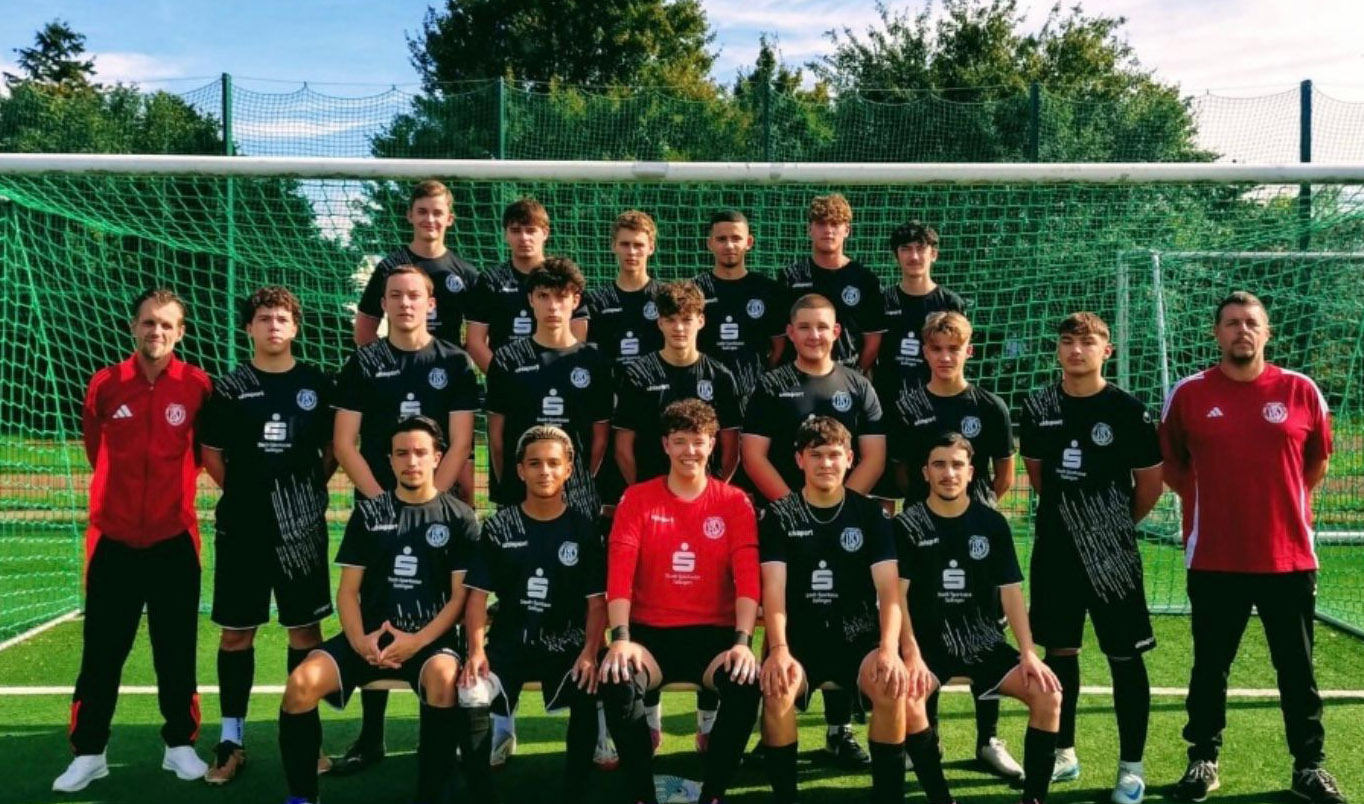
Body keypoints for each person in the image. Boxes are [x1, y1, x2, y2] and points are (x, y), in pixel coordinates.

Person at [1160, 292, 1345, 804]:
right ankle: (1203, 759)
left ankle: (1308, 767)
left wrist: (1280, 506)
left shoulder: (1301, 390)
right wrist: (1209, 501)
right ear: (1216, 333)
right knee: (1210, 667)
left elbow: (1317, 462)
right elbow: (1172, 464)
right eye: (1231, 323)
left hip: (1288, 557)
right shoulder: (1189, 394)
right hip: (1215, 557)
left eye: (1251, 323)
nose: (1242, 330)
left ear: (1267, 333)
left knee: (1297, 669)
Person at [54, 288, 212, 793]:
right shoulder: (105, 385)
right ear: (133, 327)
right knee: (101, 653)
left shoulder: (197, 386)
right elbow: (95, 450)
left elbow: (200, 456)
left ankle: (179, 745)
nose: (156, 331)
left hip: (173, 540)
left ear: (180, 332)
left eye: (166, 324)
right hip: (114, 541)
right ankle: (90, 753)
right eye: (148, 322)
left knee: (175, 651)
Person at [276, 416, 478, 804]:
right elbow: (347, 592)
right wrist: (359, 640)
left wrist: (416, 641)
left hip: (428, 640)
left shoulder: (459, 517)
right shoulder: (369, 513)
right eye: (402, 453)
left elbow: (459, 599)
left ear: (437, 457)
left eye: (420, 452)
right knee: (300, 684)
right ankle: (302, 798)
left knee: (443, 678)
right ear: (390, 460)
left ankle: (430, 795)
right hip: (369, 639)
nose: (411, 461)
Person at [329, 266, 480, 774]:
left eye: (415, 295)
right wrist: (384, 503)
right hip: (379, 504)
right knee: (377, 607)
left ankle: (442, 734)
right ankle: (370, 737)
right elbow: (345, 442)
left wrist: (430, 499)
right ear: (384, 304)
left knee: (439, 603)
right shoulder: (364, 361)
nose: (405, 303)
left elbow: (461, 441)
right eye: (395, 295)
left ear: (431, 303)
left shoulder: (454, 361)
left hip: (437, 507)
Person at [1019, 312, 1163, 802]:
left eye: (1087, 342)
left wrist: (1108, 527)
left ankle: (1131, 768)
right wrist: (1074, 525)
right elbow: (1038, 476)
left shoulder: (1129, 410)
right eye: (1067, 341)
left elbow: (1149, 486)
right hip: (1056, 552)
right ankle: (1064, 751)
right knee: (1059, 654)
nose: (1076, 350)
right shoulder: (1038, 405)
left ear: (1107, 350)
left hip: (1112, 557)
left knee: (1125, 657)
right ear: (1058, 349)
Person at [200, 287, 337, 784]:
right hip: (243, 529)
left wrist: (301, 496)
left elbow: (333, 449)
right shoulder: (230, 387)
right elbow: (212, 455)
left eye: (282, 318)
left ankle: (306, 738)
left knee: (305, 632)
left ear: (295, 327)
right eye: (264, 318)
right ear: (249, 328)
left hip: (301, 530)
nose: (273, 326)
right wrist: (248, 496)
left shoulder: (317, 385)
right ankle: (231, 740)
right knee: (237, 634)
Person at [742, 292, 886, 766]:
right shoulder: (771, 385)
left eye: (822, 326)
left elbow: (873, 456)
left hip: (846, 522)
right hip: (788, 521)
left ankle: (839, 730)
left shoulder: (857, 385)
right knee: (781, 609)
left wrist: (843, 509)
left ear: (836, 332)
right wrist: (795, 509)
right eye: (804, 327)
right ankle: (773, 728)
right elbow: (754, 455)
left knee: (845, 611)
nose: (814, 335)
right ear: (791, 332)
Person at [484, 257, 616, 768]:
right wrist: (506, 492)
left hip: (574, 495)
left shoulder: (594, 359)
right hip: (520, 496)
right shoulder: (510, 357)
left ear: (575, 301)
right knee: (513, 600)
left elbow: (599, 436)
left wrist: (578, 484)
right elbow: (497, 433)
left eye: (562, 296)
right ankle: (502, 723)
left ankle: (599, 724)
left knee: (585, 601)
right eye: (543, 295)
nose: (553, 304)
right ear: (531, 301)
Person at [600, 399, 762, 804]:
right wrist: (620, 638)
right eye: (680, 441)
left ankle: (713, 792)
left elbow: (747, 578)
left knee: (746, 683)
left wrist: (742, 643)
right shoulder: (637, 498)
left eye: (699, 441)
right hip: (649, 638)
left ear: (713, 444)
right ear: (665, 445)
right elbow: (620, 573)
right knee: (617, 680)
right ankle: (642, 792)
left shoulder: (734, 502)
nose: (690, 450)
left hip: (714, 638)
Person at [884, 309, 1021, 779]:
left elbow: (1003, 476)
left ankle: (988, 740)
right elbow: (903, 474)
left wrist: (973, 516)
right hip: (923, 535)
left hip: (977, 538)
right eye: (937, 349)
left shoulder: (990, 407)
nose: (945, 357)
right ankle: (928, 738)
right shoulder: (907, 406)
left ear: (969, 351)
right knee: (925, 629)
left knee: (986, 632)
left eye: (954, 349)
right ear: (924, 352)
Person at [896, 433, 1064, 804]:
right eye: (939, 464)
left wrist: (1028, 652)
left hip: (983, 643)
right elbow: (897, 598)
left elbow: (1011, 593)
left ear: (971, 473)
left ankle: (1034, 799)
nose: (948, 473)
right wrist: (910, 653)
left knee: (1048, 694)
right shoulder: (907, 525)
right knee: (908, 699)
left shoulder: (991, 523)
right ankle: (941, 798)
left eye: (957, 465)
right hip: (930, 647)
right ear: (925, 472)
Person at [757, 416, 908, 803]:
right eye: (816, 455)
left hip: (858, 638)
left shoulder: (871, 515)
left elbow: (889, 590)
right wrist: (778, 649)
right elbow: (773, 589)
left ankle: (888, 795)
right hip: (800, 641)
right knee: (777, 690)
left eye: (834, 455)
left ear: (850, 459)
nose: (826, 463)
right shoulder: (779, 515)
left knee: (890, 685)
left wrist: (889, 649)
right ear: (799, 460)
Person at [460, 425, 607, 804]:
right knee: (471, 690)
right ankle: (480, 795)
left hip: (568, 643)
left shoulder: (583, 529)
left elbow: (597, 604)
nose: (545, 471)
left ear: (568, 470)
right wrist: (476, 651)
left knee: (590, 685)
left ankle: (575, 791)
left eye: (554, 463)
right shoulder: (499, 525)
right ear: (520, 470)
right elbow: (476, 599)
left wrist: (590, 651)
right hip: (509, 643)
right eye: (535, 463)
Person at [614, 280, 742, 486]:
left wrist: (713, 493)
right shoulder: (638, 375)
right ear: (660, 323)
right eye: (671, 320)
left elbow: (731, 450)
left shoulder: (720, 377)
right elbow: (623, 448)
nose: (679, 328)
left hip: (702, 494)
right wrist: (641, 493)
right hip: (653, 492)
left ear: (701, 321)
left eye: (686, 319)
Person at [584, 210, 662, 513]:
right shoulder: (596, 301)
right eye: (625, 244)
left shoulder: (664, 298)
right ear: (613, 246)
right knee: (613, 500)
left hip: (655, 406)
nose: (632, 252)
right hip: (610, 406)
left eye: (639, 245)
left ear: (651, 247)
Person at [466, 198, 588, 373]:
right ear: (506, 234)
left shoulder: (564, 276)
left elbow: (578, 336)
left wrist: (560, 375)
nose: (524, 238)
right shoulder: (490, 280)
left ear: (545, 233)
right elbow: (475, 342)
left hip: (557, 375)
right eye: (516, 231)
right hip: (508, 378)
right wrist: (503, 377)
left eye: (531, 230)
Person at [353, 179, 479, 348]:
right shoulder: (390, 267)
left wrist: (460, 361)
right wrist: (390, 362)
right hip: (401, 365)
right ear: (410, 215)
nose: (430, 219)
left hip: (449, 364)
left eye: (437, 213)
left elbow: (479, 338)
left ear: (449, 219)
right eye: (422, 212)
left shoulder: (466, 273)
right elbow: (363, 331)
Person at [777, 193, 885, 372]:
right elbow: (780, 337)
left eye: (835, 224)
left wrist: (853, 375)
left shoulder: (865, 279)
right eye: (821, 223)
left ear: (847, 230)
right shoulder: (791, 277)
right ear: (810, 229)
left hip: (847, 372)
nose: (828, 230)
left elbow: (873, 341)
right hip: (798, 376)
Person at [693, 210, 786, 406]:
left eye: (736, 238)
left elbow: (779, 346)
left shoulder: (768, 290)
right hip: (704, 391)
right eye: (721, 239)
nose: (729, 245)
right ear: (710, 244)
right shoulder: (695, 290)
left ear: (749, 242)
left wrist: (761, 374)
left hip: (753, 395)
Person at [872, 220, 965, 398]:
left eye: (921, 248)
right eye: (906, 249)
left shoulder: (950, 303)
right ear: (896, 256)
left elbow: (958, 357)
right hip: (887, 400)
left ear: (934, 254)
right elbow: (870, 352)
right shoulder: (882, 300)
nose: (914, 256)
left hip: (935, 400)